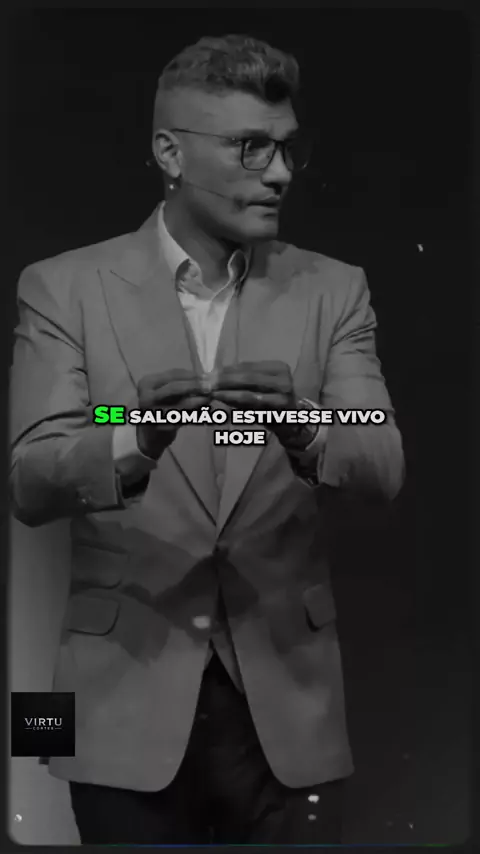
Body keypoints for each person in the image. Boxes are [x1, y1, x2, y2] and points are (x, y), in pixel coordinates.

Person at [9, 33, 404, 845]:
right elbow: (32, 476)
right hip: (119, 705)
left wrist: (306, 422)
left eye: (287, 148)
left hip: (289, 709)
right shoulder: (62, 287)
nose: (280, 173)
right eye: (251, 147)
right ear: (170, 153)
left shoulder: (334, 291)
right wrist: (136, 437)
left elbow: (381, 458)